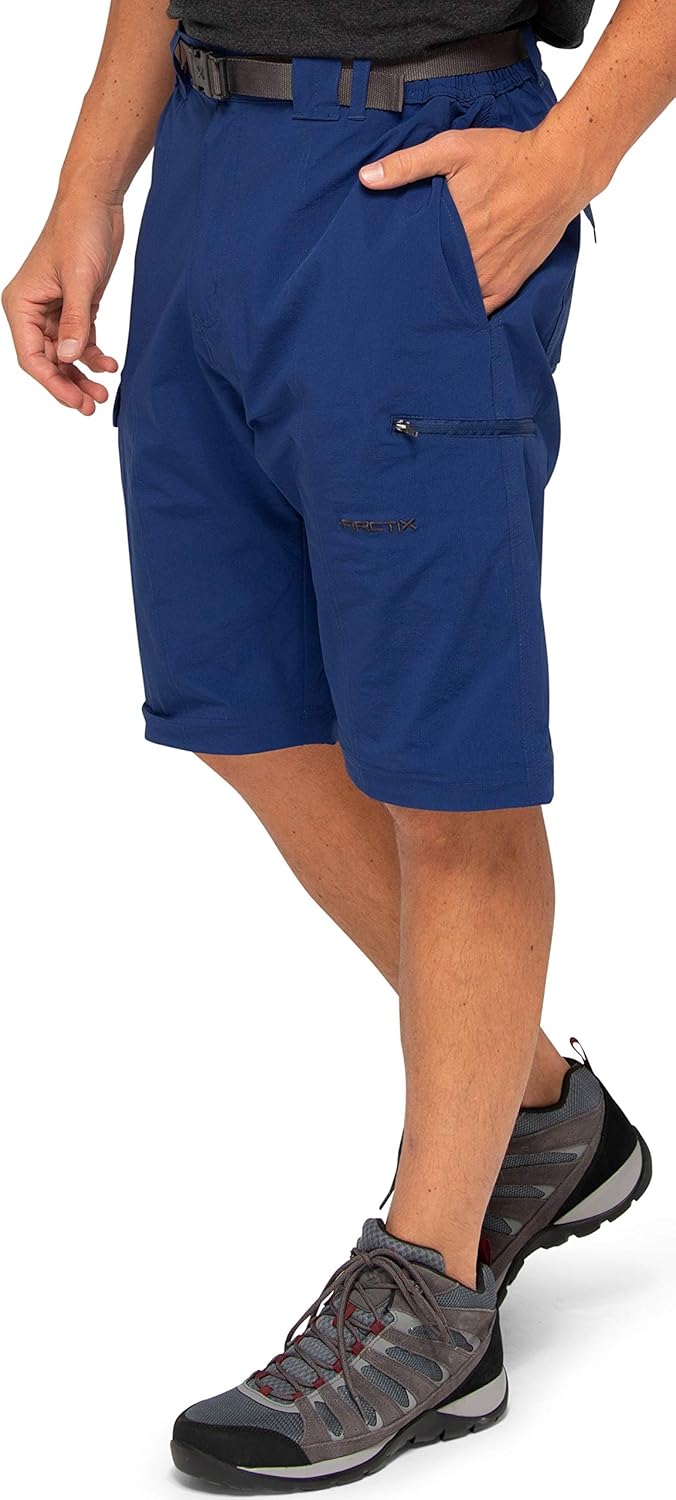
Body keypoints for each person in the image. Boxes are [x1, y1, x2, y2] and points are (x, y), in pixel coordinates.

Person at [3, 0, 672, 1490]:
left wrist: (572, 158)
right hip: (208, 166)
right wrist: (89, 188)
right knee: (236, 705)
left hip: (413, 173)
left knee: (450, 768)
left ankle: (437, 1291)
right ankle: (538, 1109)